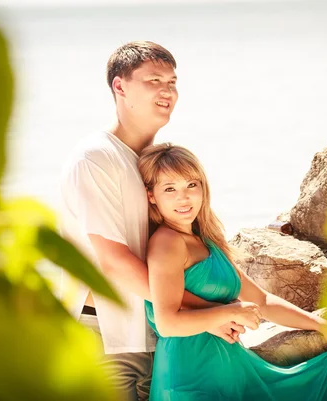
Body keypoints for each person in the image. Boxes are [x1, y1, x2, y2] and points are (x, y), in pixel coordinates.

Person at [58, 42, 244, 401]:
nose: (167, 91)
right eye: (153, 80)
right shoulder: (97, 158)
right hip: (108, 338)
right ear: (120, 87)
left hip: (157, 332)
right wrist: (213, 312)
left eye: (172, 82)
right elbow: (112, 262)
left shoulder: (152, 164)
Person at [137, 143, 327, 401]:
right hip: (188, 378)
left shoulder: (204, 240)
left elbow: (261, 300)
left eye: (191, 185)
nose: (183, 198)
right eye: (169, 189)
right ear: (151, 195)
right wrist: (230, 312)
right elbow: (167, 322)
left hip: (230, 368)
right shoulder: (167, 243)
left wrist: (320, 325)